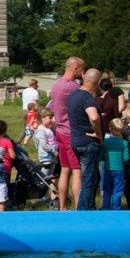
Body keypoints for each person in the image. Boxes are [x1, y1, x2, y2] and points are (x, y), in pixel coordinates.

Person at [48, 57, 85, 210]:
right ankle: (78, 207)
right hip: (71, 132)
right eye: (81, 69)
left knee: (64, 170)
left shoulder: (57, 85)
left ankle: (62, 206)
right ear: (75, 68)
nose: (82, 72)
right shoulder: (73, 87)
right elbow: (87, 95)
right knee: (77, 172)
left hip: (60, 130)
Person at [67, 68, 103, 211]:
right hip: (88, 143)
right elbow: (94, 116)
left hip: (76, 140)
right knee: (89, 179)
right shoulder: (88, 98)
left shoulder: (73, 95)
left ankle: (90, 207)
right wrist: (98, 133)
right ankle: (84, 212)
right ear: (97, 83)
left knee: (93, 177)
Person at [101, 118, 128, 210]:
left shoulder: (106, 142)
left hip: (108, 169)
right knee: (118, 190)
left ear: (110, 129)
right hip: (119, 170)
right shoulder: (124, 143)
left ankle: (106, 208)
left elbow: (102, 155)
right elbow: (126, 158)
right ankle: (116, 208)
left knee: (107, 190)